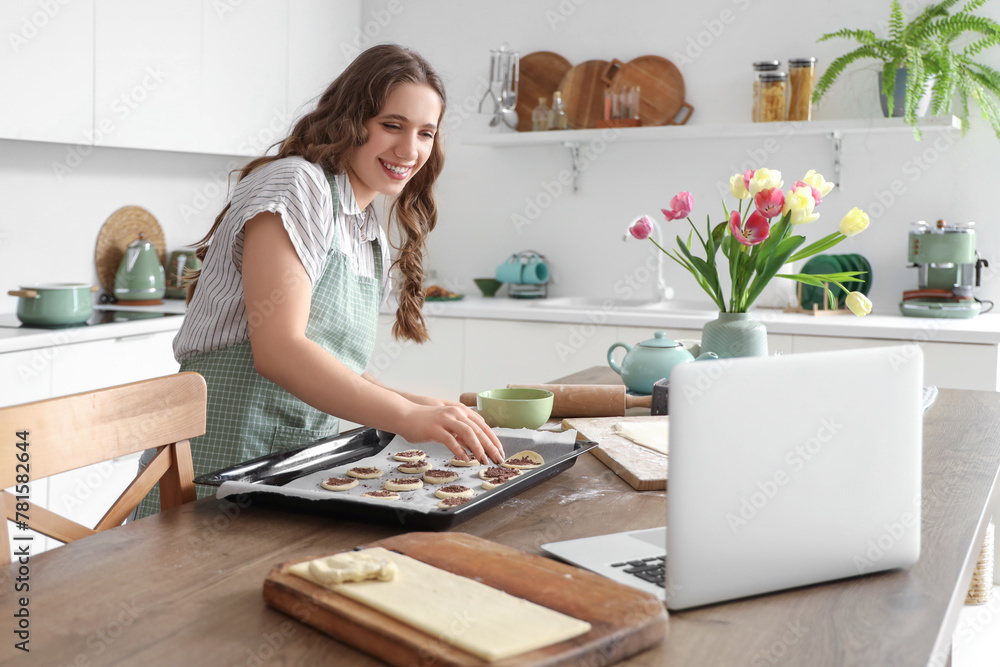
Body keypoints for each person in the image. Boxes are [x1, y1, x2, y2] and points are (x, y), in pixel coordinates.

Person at [135, 44, 503, 517]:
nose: (410, 150)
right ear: (353, 119)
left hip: (292, 471)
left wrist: (425, 406)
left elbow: (333, 362)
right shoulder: (297, 184)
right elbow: (281, 350)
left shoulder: (364, 225)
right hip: (215, 470)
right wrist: (409, 416)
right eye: (392, 125)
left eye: (425, 133)